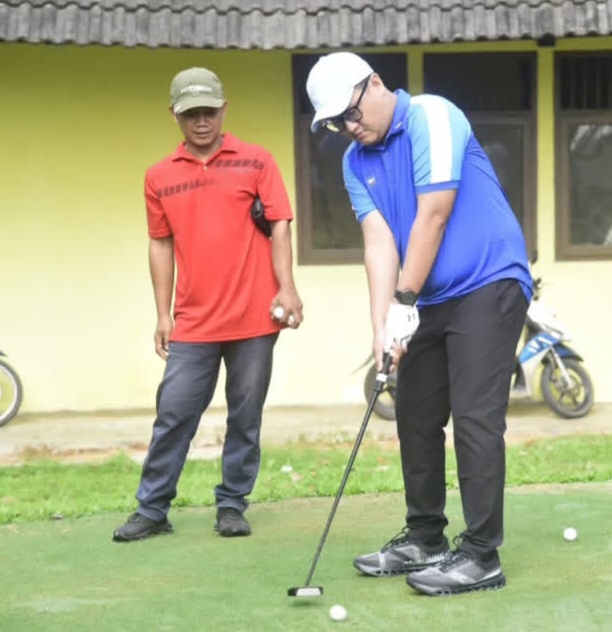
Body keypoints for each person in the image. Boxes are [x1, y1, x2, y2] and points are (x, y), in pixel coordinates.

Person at [304, 53, 533, 596]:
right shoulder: (355, 162)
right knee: (415, 411)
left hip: (489, 281)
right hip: (427, 295)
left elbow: (435, 214)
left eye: (351, 113)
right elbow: (379, 243)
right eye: (335, 124)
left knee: (474, 416)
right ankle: (426, 537)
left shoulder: (433, 116)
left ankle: (481, 555)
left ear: (375, 84)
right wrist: (383, 327)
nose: (348, 128)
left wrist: (405, 300)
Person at [113, 67, 304, 542]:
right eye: (191, 113)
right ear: (174, 115)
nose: (201, 121)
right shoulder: (159, 176)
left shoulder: (257, 161)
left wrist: (287, 288)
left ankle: (232, 505)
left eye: (209, 111)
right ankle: (152, 509)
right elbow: (160, 243)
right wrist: (163, 314)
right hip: (193, 322)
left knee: (245, 415)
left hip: (255, 317)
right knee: (174, 413)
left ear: (224, 110)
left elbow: (280, 224)